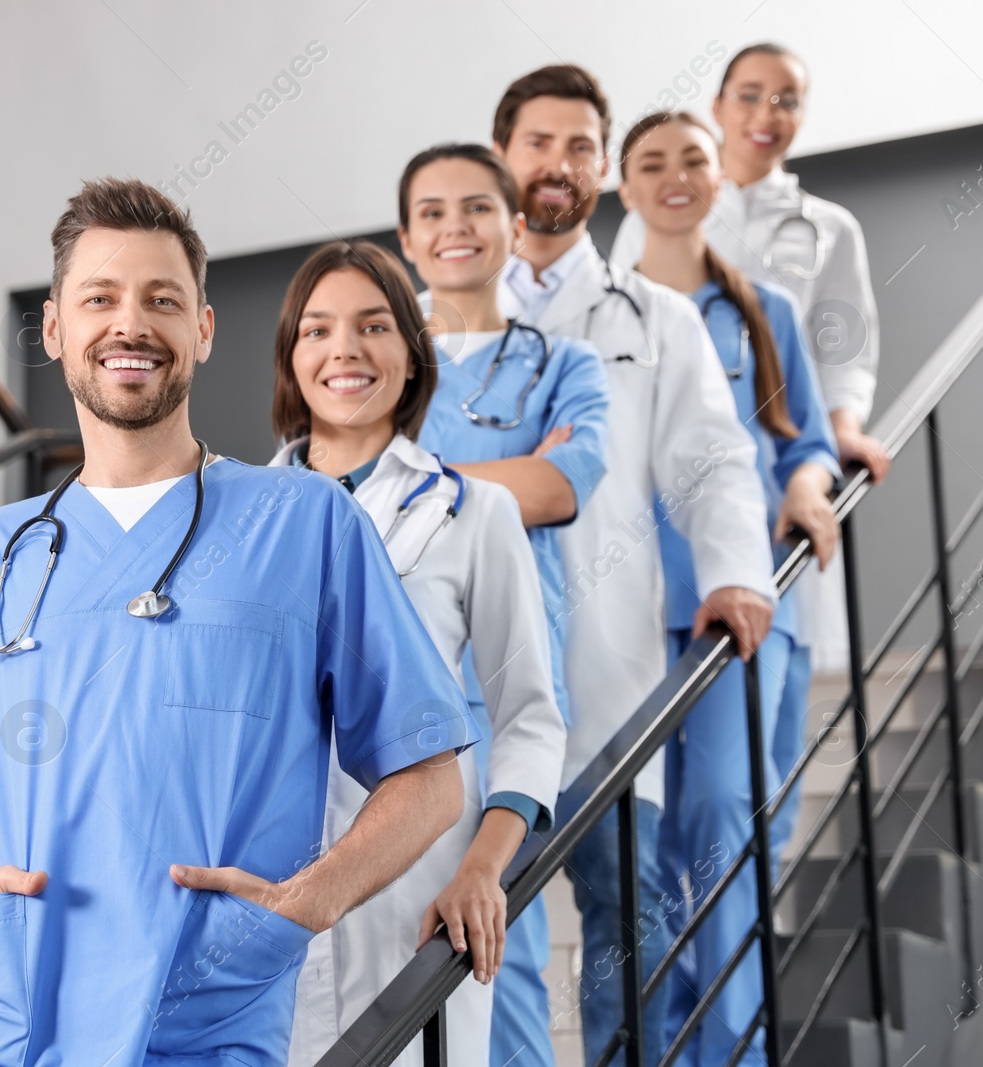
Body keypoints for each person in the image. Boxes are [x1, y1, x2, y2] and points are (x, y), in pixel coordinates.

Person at [0, 178, 478, 1067]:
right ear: (54, 330)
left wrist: (307, 902)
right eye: (100, 299)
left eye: (163, 300)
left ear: (202, 328)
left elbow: (430, 774)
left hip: (200, 1021)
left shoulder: (305, 524)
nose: (132, 325)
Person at [490, 65, 779, 1067]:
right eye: (538, 144)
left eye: (578, 146)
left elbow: (712, 461)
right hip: (479, 685)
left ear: (600, 166)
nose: (557, 165)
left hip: (611, 678)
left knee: (629, 927)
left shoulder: (655, 318)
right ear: (504, 157)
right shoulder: (442, 314)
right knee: (490, 940)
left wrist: (735, 572)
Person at [272, 240, 567, 1067]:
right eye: (318, 330)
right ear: (291, 358)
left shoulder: (476, 513)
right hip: (268, 894)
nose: (345, 350)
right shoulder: (235, 518)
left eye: (373, 326)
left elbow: (531, 718)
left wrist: (482, 868)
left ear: (411, 353)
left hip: (421, 890)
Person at [609, 43, 890, 862]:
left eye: (787, 100)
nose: (767, 116)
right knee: (683, 782)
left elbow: (843, 348)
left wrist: (831, 437)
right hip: (667, 513)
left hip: (778, 488)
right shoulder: (667, 208)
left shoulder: (826, 228)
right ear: (722, 102)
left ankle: (746, 944)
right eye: (750, 96)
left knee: (757, 761)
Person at [618, 110, 841, 1065]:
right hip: (627, 608)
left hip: (739, 610)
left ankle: (730, 1055)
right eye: (651, 163)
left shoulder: (763, 309)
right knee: (637, 854)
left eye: (693, 161)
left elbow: (808, 440)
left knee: (720, 823)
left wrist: (803, 479)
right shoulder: (605, 318)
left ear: (720, 180)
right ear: (623, 189)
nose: (675, 177)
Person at [394, 143, 610, 1066]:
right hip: (391, 681)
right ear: (405, 239)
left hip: (504, 678)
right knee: (401, 941)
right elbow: (324, 502)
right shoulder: (373, 360)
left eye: (477, 208)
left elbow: (562, 485)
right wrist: (497, 476)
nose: (455, 228)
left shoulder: (567, 362)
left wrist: (401, 481)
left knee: (496, 940)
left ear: (515, 227)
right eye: (432, 212)